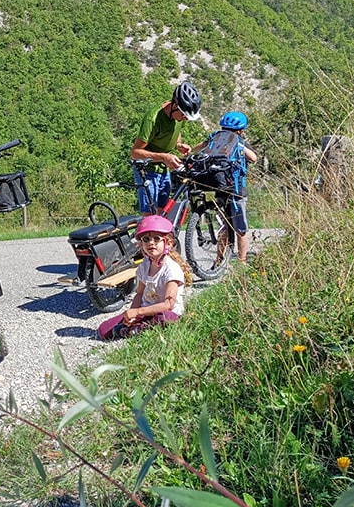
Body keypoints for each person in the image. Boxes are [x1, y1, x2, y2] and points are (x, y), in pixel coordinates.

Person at [98, 215, 193, 341]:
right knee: (104, 330)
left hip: (163, 312)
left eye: (156, 238)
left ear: (168, 243)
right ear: (141, 243)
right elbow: (139, 293)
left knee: (167, 318)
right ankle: (135, 327)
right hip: (145, 311)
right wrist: (132, 313)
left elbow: (168, 304)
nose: (151, 243)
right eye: (146, 239)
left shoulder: (171, 269)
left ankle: (137, 329)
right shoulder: (145, 265)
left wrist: (138, 312)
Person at [192, 111, 257, 263]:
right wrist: (239, 143)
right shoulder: (239, 140)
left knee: (224, 225)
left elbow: (197, 148)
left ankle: (219, 260)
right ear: (241, 130)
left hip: (219, 186)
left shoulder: (215, 137)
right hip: (236, 189)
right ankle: (241, 261)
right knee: (241, 229)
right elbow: (253, 158)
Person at [131, 80, 202, 213]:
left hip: (164, 169)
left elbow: (176, 130)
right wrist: (164, 157)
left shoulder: (178, 117)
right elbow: (135, 153)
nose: (184, 119)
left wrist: (179, 144)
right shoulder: (152, 119)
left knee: (163, 211)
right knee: (150, 214)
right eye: (183, 115)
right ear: (174, 106)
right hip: (147, 170)